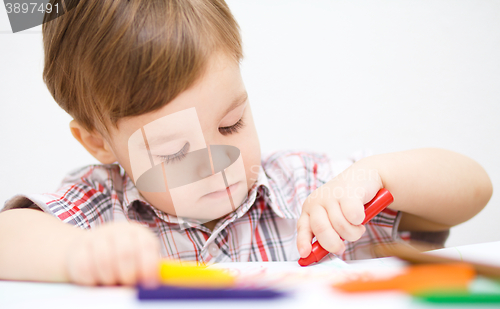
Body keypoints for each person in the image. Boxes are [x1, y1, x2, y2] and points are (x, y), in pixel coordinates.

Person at [0, 0, 492, 288]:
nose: (218, 164)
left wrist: (384, 177)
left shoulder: (303, 189)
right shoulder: (102, 207)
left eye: (232, 124)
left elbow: (474, 189)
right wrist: (76, 256)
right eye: (174, 153)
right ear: (97, 141)